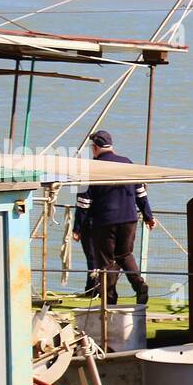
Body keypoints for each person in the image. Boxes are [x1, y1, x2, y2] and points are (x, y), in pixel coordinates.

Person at [73, 131, 156, 305]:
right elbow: (141, 193)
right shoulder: (127, 163)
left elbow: (84, 202)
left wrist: (77, 228)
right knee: (125, 254)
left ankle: (109, 301)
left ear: (95, 148)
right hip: (129, 219)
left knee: (106, 262)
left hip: (104, 221)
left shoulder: (90, 168)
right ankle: (140, 285)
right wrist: (148, 216)